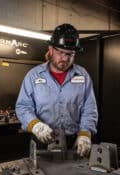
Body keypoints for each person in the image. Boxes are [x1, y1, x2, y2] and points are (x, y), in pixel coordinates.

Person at [15, 23, 98, 157]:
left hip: (74, 143)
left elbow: (90, 108)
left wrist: (85, 134)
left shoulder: (83, 76)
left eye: (70, 54)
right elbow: (23, 106)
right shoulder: (33, 76)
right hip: (42, 141)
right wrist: (35, 125)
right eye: (60, 52)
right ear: (51, 49)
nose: (65, 58)